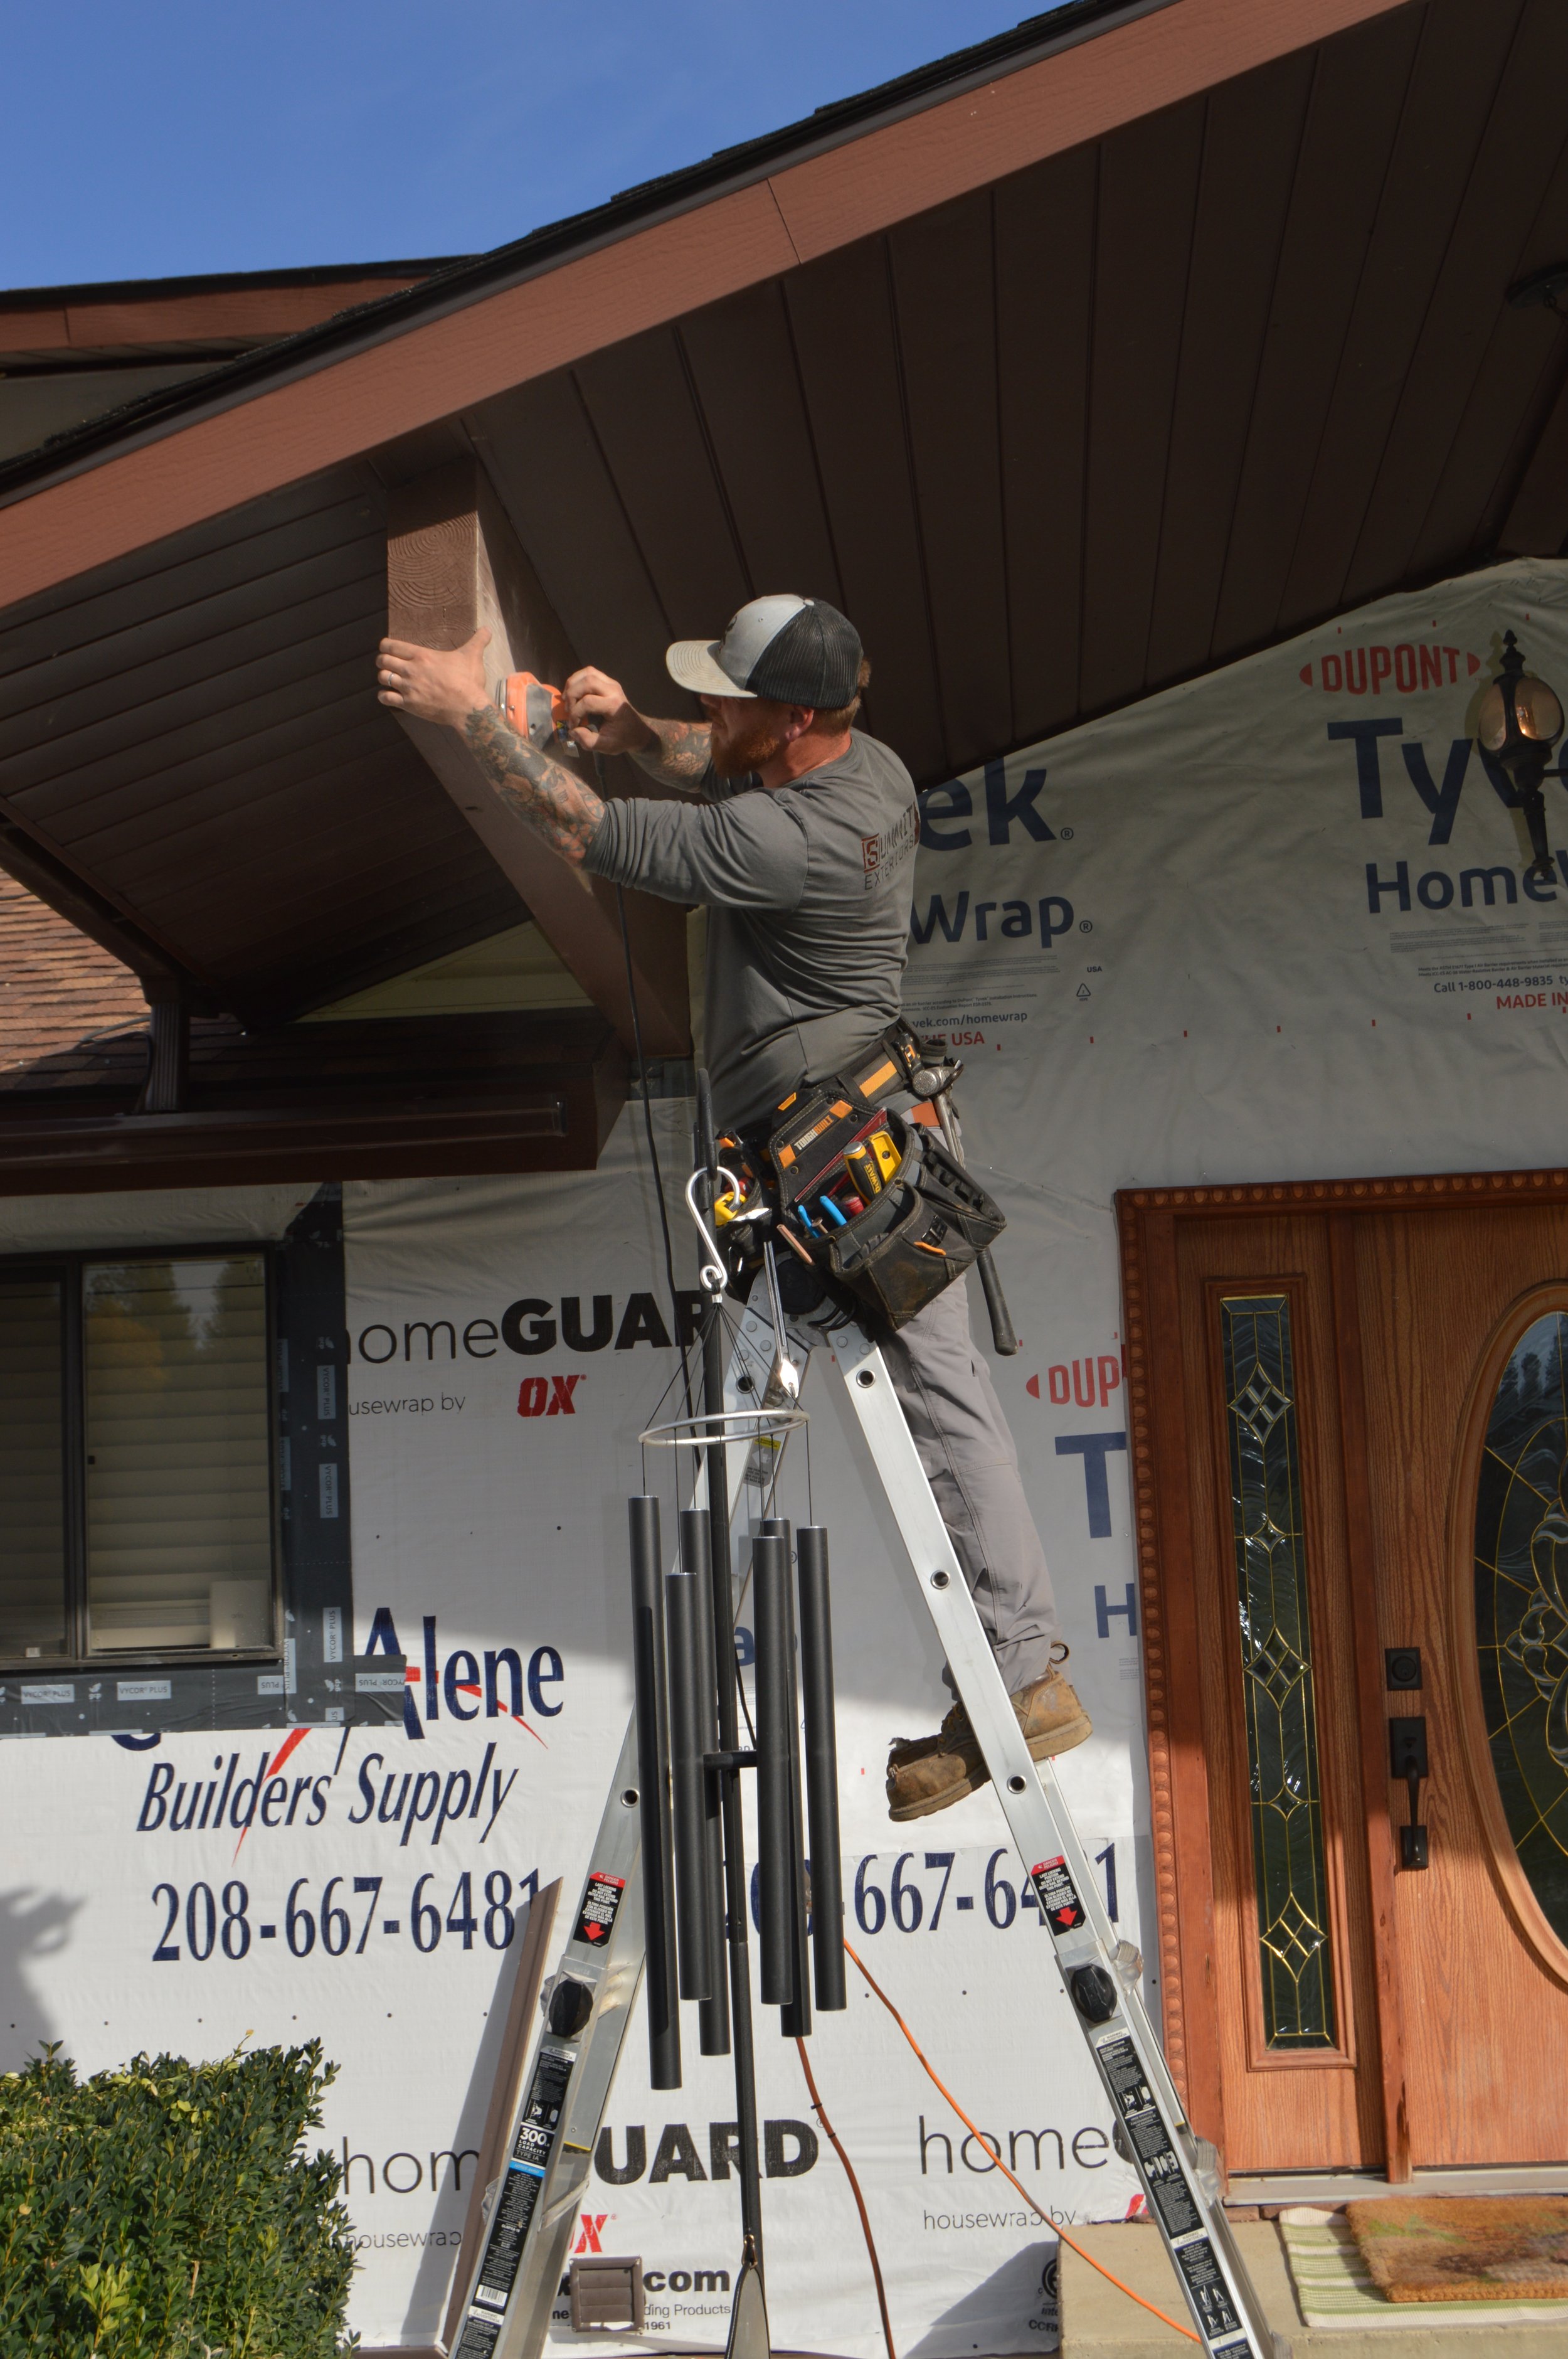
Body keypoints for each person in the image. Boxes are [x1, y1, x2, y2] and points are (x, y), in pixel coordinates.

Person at [375, 594, 1090, 1817]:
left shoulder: (777, 843)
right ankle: (1013, 1673)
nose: (710, 709)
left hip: (849, 1163)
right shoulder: (863, 769)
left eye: (730, 693)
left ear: (791, 715)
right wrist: (634, 727)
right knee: (943, 1392)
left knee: (940, 1396)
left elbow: (588, 835)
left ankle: (1020, 1677)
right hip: (850, 1141)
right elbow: (720, 752)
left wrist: (467, 723)